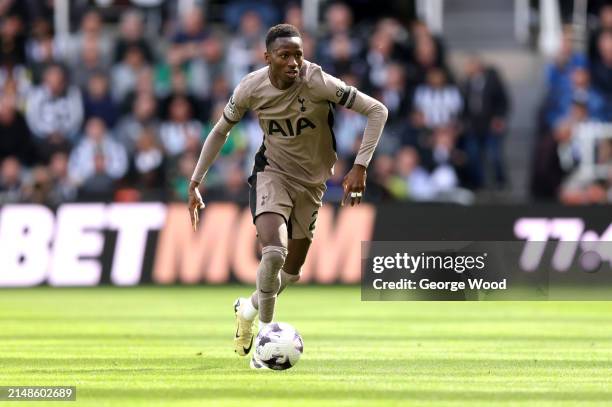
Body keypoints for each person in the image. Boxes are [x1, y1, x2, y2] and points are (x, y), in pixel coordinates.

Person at [187, 24, 388, 369]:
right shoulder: (251, 87)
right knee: (275, 253)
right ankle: (267, 338)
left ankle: (248, 309)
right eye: (285, 55)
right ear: (267, 58)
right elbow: (221, 130)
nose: (294, 62)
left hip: (313, 184)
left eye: (298, 54)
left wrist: (361, 165)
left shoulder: (318, 81)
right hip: (272, 174)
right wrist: (195, 182)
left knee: (291, 273)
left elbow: (377, 110)